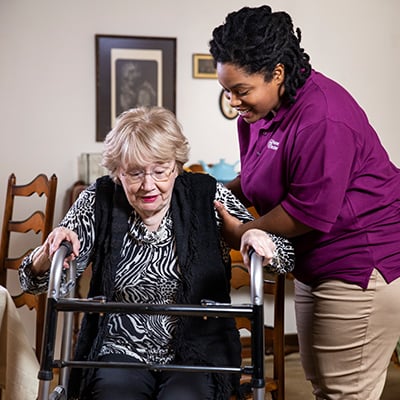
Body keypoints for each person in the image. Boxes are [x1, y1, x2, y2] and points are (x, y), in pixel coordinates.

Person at [19, 106, 294, 400]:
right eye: (135, 173)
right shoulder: (99, 199)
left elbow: (286, 257)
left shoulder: (205, 195)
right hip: (119, 348)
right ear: (117, 173)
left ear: (176, 166)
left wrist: (255, 235)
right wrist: (48, 251)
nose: (148, 185)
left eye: (160, 171)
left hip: (197, 351)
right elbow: (33, 282)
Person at [209, 5, 400, 400]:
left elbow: (307, 210)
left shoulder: (323, 117)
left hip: (361, 264)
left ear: (277, 73)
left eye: (241, 91)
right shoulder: (262, 110)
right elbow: (261, 171)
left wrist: (241, 232)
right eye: (226, 91)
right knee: (325, 386)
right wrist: (213, 194)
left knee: (345, 392)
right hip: (317, 262)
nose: (233, 102)